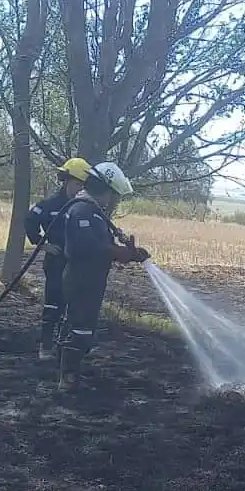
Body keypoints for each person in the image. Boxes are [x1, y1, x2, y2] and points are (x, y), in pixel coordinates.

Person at [58, 161, 150, 389]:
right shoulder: (82, 211)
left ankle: (70, 371)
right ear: (104, 189)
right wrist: (123, 253)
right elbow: (90, 247)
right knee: (80, 328)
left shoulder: (93, 212)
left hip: (90, 279)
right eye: (113, 194)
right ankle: (67, 377)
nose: (113, 200)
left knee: (81, 326)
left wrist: (127, 251)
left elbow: (101, 245)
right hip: (82, 280)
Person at [24, 157, 91, 359]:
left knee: (72, 306)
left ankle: (65, 345)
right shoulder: (51, 205)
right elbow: (30, 219)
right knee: (53, 303)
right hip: (56, 262)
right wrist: (42, 244)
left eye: (82, 185)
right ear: (66, 181)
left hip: (76, 264)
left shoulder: (84, 207)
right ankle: (46, 346)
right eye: (76, 184)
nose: (78, 188)